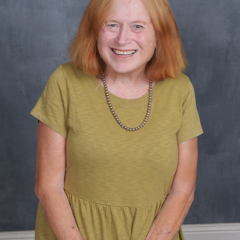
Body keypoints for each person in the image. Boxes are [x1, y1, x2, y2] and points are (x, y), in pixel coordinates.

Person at [30, 0, 204, 239]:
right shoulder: (64, 82)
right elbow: (47, 187)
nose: (122, 39)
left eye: (138, 27)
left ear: (160, 35)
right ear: (94, 30)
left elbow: (184, 189)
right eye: (111, 25)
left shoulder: (181, 89)